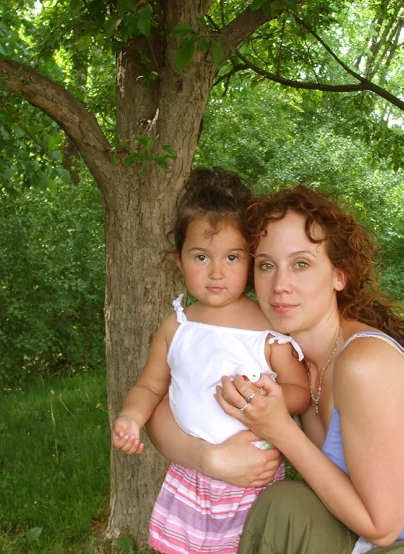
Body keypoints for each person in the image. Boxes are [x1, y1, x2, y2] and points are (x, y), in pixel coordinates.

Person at [148, 185, 404, 553]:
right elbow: (158, 409)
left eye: (301, 264)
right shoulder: (285, 358)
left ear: (339, 276)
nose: (280, 285)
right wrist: (208, 457)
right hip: (368, 541)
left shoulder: (363, 363)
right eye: (267, 265)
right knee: (283, 506)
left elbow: (381, 528)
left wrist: (281, 430)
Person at [112, 168, 310, 554]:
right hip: (192, 480)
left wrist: (272, 400)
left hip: (254, 481)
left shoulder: (267, 328)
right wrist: (130, 418)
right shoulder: (176, 327)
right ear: (178, 258)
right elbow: (150, 387)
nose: (217, 273)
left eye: (232, 257)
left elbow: (301, 391)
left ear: (251, 259)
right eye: (201, 256)